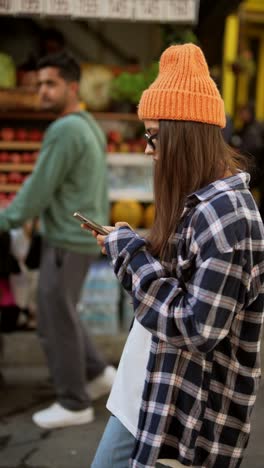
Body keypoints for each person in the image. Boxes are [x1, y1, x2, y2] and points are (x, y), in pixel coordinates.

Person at [89, 44, 264, 468]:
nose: (147, 149)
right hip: (149, 393)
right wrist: (133, 244)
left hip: (184, 418)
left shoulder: (227, 216)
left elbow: (196, 328)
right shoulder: (200, 202)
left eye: (153, 134)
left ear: (184, 133)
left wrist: (131, 256)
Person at [0, 51, 116, 429]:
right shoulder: (88, 125)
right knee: (65, 313)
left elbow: (37, 191)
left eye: (50, 83)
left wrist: (5, 219)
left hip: (66, 241)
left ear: (72, 86)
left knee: (53, 322)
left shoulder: (65, 130)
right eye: (39, 84)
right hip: (79, 239)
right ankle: (98, 375)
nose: (42, 91)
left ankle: (73, 401)